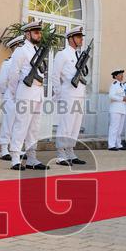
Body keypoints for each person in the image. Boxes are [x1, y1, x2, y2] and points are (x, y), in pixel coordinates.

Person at [7, 20, 50, 170]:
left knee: (34, 127)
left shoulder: (36, 50)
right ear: (27, 33)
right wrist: (14, 93)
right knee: (21, 125)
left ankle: (32, 157)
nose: (39, 34)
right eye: (36, 32)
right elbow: (13, 74)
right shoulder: (21, 50)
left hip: (37, 92)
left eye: (40, 32)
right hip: (25, 92)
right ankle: (15, 158)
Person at [51, 26, 87, 166]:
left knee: (75, 125)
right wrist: (59, 93)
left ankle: (70, 152)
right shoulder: (63, 54)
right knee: (66, 124)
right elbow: (55, 76)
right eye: (79, 37)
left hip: (79, 95)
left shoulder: (79, 54)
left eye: (81, 37)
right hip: (68, 95)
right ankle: (61, 154)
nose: (81, 39)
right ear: (71, 39)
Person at [0, 36, 23, 160]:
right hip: (10, 95)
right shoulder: (8, 63)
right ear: (15, 48)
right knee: (8, 122)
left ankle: (15, 148)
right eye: (20, 46)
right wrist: (5, 94)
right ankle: (4, 149)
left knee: (19, 123)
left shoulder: (24, 62)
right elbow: (2, 82)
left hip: (22, 95)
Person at [107, 69, 126, 151]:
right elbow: (111, 96)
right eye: (120, 74)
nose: (122, 76)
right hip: (115, 109)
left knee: (119, 129)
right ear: (115, 76)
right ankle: (111, 145)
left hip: (122, 109)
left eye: (122, 74)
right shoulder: (114, 84)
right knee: (114, 127)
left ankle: (118, 144)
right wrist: (122, 98)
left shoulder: (122, 85)